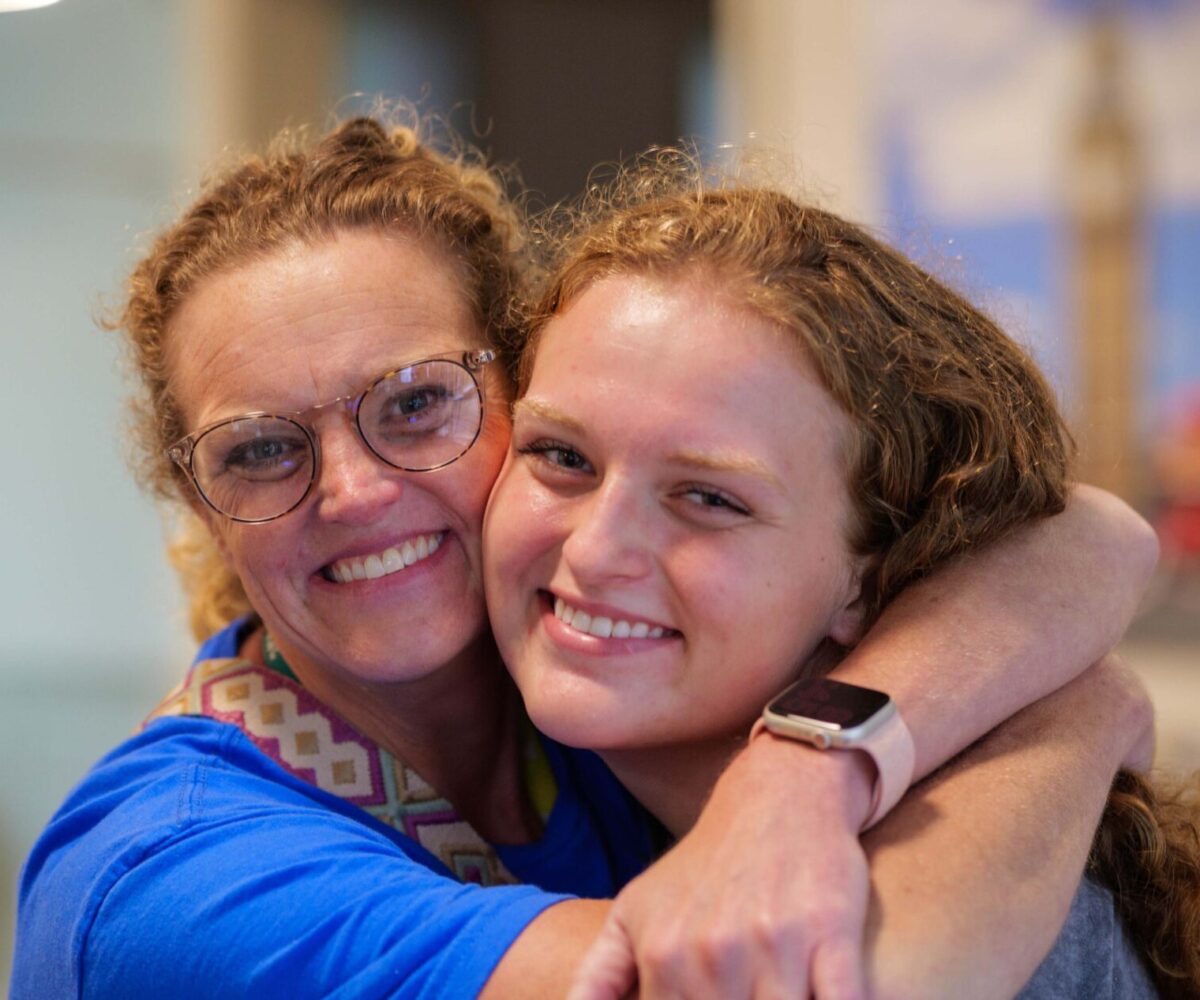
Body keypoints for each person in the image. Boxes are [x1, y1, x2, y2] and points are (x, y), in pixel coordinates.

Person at [10, 116, 1159, 1000]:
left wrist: (800, 771)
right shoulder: (168, 871)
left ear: (514, 398)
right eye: (260, 450)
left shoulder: (603, 718)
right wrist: (1082, 714)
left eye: (415, 405)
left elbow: (1089, 534)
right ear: (202, 504)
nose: (354, 491)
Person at [484, 168, 1200, 997]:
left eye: (710, 499)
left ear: (872, 574)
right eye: (561, 456)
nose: (599, 547)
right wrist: (1090, 710)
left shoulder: (1023, 935)